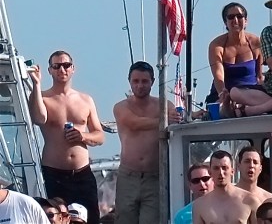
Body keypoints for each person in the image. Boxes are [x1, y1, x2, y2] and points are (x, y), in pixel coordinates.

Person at [28, 51, 104, 224]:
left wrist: (82, 136)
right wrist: (36, 85)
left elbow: (99, 136)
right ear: (50, 70)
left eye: (66, 65)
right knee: (55, 220)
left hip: (82, 173)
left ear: (73, 68)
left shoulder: (85, 100)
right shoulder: (42, 97)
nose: (62, 69)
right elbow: (39, 119)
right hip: (54, 173)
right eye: (56, 66)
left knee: (91, 219)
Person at [112, 60, 178, 224]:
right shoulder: (120, 107)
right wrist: (165, 120)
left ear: (152, 82)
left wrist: (174, 118)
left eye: (144, 81)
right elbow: (134, 123)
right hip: (128, 176)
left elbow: (177, 120)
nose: (140, 86)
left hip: (155, 177)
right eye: (136, 81)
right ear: (130, 82)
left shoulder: (165, 105)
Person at [207, 2, 263, 106]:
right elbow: (218, 75)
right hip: (223, 94)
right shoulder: (216, 45)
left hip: (250, 94)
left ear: (246, 21)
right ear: (225, 22)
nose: (235, 20)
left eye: (239, 16)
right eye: (231, 17)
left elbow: (259, 76)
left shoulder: (256, 42)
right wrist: (223, 95)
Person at [193, 150, 259, 224]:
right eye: (216, 168)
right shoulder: (200, 205)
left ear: (232, 171)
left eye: (224, 168)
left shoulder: (250, 200)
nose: (221, 173)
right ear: (210, 172)